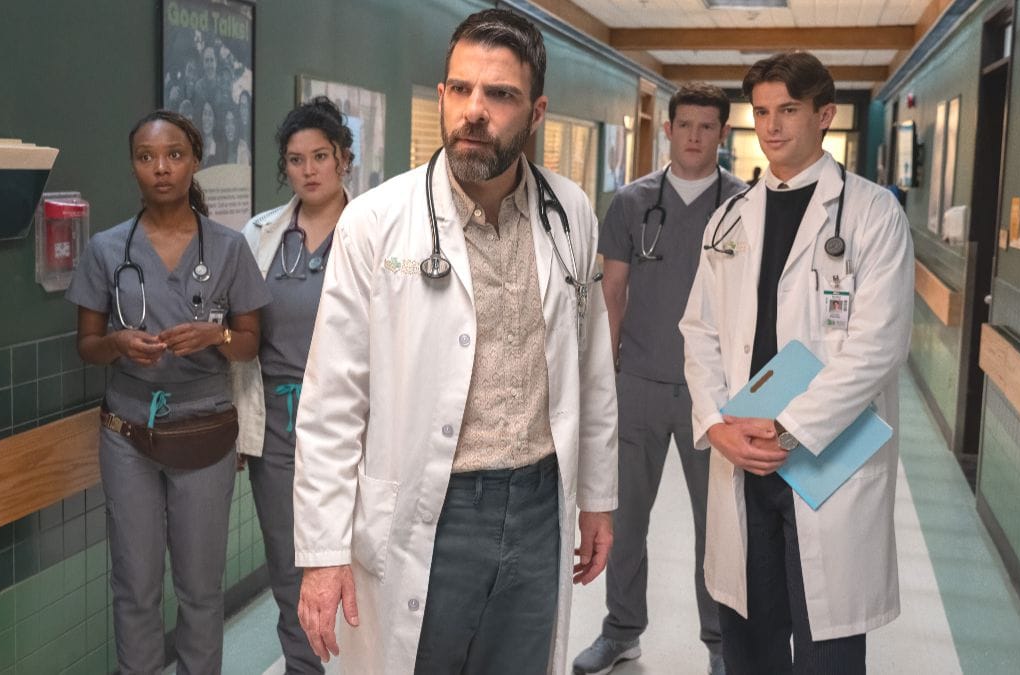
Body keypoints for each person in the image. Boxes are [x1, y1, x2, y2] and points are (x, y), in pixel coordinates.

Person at [291, 9, 618, 674]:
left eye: (500, 94)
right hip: (432, 509)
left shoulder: (570, 213)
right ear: (441, 96)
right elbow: (331, 402)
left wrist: (598, 499)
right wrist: (324, 553)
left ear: (536, 111)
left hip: (537, 505)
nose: (475, 110)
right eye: (460, 89)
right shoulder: (377, 223)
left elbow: (592, 369)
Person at [680, 51, 913, 674]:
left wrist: (790, 426)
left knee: (827, 649)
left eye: (788, 110)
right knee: (749, 640)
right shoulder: (729, 218)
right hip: (743, 453)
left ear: (824, 115)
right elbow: (698, 330)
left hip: (824, 455)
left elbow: (880, 344)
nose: (772, 126)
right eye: (761, 112)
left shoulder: (870, 213)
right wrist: (717, 424)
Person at [66, 110, 271, 673]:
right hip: (127, 434)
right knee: (134, 584)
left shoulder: (229, 248)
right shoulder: (108, 250)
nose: (161, 169)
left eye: (174, 155)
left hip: (203, 435)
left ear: (195, 161)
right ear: (133, 165)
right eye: (146, 157)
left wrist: (217, 334)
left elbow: (250, 343)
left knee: (201, 589)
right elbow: (86, 345)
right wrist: (118, 343)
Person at [574, 82, 746, 675]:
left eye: (708, 127)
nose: (695, 136)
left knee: (718, 528)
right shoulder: (630, 203)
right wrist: (607, 375)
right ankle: (621, 629)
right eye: (686, 124)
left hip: (715, 395)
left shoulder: (744, 205)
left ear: (722, 135)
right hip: (639, 383)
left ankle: (721, 643)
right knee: (623, 521)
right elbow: (612, 292)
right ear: (667, 128)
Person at [232, 96, 353, 675]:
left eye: (320, 156)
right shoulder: (260, 235)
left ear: (344, 160)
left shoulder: (373, 233)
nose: (308, 170)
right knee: (290, 566)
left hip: (354, 429)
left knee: (356, 565)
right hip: (278, 429)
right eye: (296, 159)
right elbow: (240, 332)